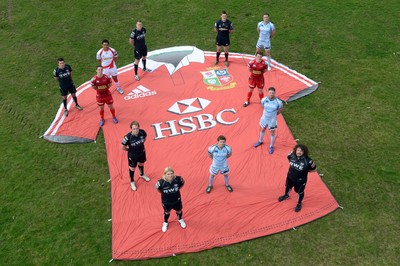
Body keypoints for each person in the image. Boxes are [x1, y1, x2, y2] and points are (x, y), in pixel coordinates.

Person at [278, 144, 317, 212]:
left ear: (304, 152)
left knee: (300, 192)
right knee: (288, 187)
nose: (299, 152)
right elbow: (289, 159)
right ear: (295, 150)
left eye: (301, 151)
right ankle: (286, 195)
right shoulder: (291, 155)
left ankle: (299, 203)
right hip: (290, 177)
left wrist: (306, 171)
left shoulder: (308, 161)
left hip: (300, 181)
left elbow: (314, 169)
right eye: (298, 150)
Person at [155, 167, 186, 232]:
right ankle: (165, 222)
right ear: (165, 174)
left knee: (179, 210)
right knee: (167, 212)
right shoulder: (160, 183)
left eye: (171, 173)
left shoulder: (178, 179)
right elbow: (158, 189)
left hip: (176, 200)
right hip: (166, 202)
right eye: (168, 174)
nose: (170, 175)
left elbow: (182, 184)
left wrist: (176, 190)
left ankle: (180, 219)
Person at [121, 121, 150, 191]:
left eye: (137, 128)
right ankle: (132, 181)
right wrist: (129, 150)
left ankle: (142, 174)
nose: (136, 130)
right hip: (133, 155)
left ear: (139, 128)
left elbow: (144, 139)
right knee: (132, 168)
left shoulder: (142, 132)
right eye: (134, 129)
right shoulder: (127, 137)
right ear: (131, 129)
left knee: (141, 163)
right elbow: (123, 147)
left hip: (142, 152)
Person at [253, 87, 283, 154]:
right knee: (262, 129)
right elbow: (263, 106)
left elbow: (280, 110)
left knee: (272, 133)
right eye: (270, 93)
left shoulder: (278, 102)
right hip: (264, 118)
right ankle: (260, 141)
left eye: (272, 93)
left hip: (272, 120)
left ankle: (271, 146)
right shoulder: (264, 99)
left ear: (274, 93)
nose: (271, 94)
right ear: (268, 93)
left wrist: (274, 115)